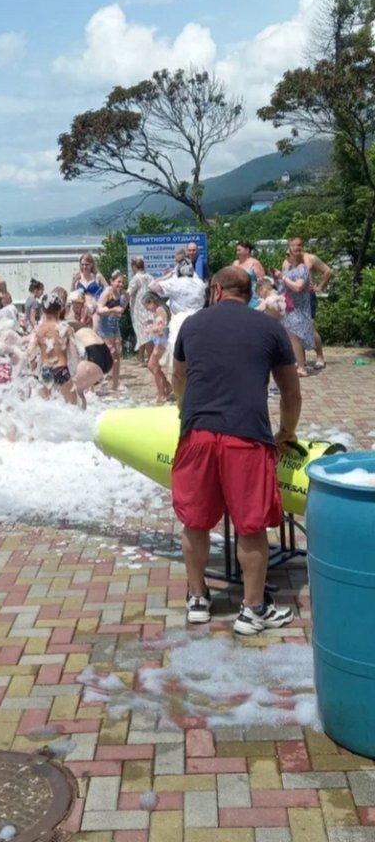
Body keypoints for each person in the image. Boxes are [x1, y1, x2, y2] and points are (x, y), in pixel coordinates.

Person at [171, 266, 302, 636]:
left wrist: (185, 412)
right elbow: (291, 392)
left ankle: (197, 599)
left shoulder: (191, 325)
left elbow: (178, 376)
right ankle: (252, 610)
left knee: (194, 521)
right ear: (249, 294)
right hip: (246, 437)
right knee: (251, 526)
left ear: (215, 290)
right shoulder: (270, 329)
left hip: (197, 435)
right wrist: (287, 432)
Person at [27, 294, 78, 404]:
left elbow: (30, 353)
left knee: (46, 407)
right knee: (73, 407)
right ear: (61, 309)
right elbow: (74, 353)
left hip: (45, 370)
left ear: (43, 310)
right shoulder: (66, 328)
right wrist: (75, 373)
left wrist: (31, 371)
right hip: (61, 370)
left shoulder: (38, 330)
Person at [276, 237, 314, 377]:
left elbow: (298, 287)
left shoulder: (302, 268)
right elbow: (283, 287)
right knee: (291, 337)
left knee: (295, 337)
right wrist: (277, 277)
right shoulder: (289, 268)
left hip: (298, 308)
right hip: (289, 308)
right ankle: (299, 364)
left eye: (288, 254)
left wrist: (283, 278)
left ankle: (302, 368)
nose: (286, 257)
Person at [299, 239, 332, 370]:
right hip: (295, 297)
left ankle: (320, 357)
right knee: (296, 328)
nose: (296, 248)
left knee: (309, 327)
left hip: (308, 296)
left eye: (298, 245)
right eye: (292, 245)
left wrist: (319, 287)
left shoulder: (311, 258)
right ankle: (301, 360)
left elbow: (328, 271)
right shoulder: (289, 261)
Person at [94, 270, 127, 392]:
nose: (120, 284)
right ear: (111, 282)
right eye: (118, 282)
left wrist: (122, 308)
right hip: (105, 325)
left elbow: (123, 307)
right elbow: (99, 310)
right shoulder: (107, 293)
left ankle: (115, 383)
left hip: (114, 325)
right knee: (110, 353)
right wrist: (113, 310)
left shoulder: (122, 294)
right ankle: (102, 380)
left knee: (117, 353)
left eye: (122, 282)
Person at [143, 292, 172, 404]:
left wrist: (150, 329)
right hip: (161, 341)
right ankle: (167, 386)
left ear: (152, 302)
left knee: (153, 366)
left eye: (147, 306)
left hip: (162, 342)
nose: (147, 309)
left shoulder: (159, 310)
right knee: (152, 366)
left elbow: (160, 328)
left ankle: (162, 394)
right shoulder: (161, 309)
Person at [72, 325, 114, 403]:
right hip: (108, 359)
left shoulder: (68, 331)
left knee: (73, 388)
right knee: (80, 389)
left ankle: (79, 411)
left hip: (95, 357)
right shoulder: (86, 330)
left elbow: (74, 355)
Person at [127, 257, 153, 364]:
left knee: (143, 333)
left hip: (138, 309)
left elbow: (129, 292)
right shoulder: (150, 277)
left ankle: (150, 358)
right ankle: (141, 357)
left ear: (134, 267)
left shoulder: (136, 279)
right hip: (149, 307)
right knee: (143, 333)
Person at [233, 241, 265, 307]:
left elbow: (262, 282)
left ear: (247, 250)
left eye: (239, 250)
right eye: (237, 250)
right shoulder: (235, 263)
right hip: (238, 296)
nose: (237, 253)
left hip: (252, 297)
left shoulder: (255, 263)